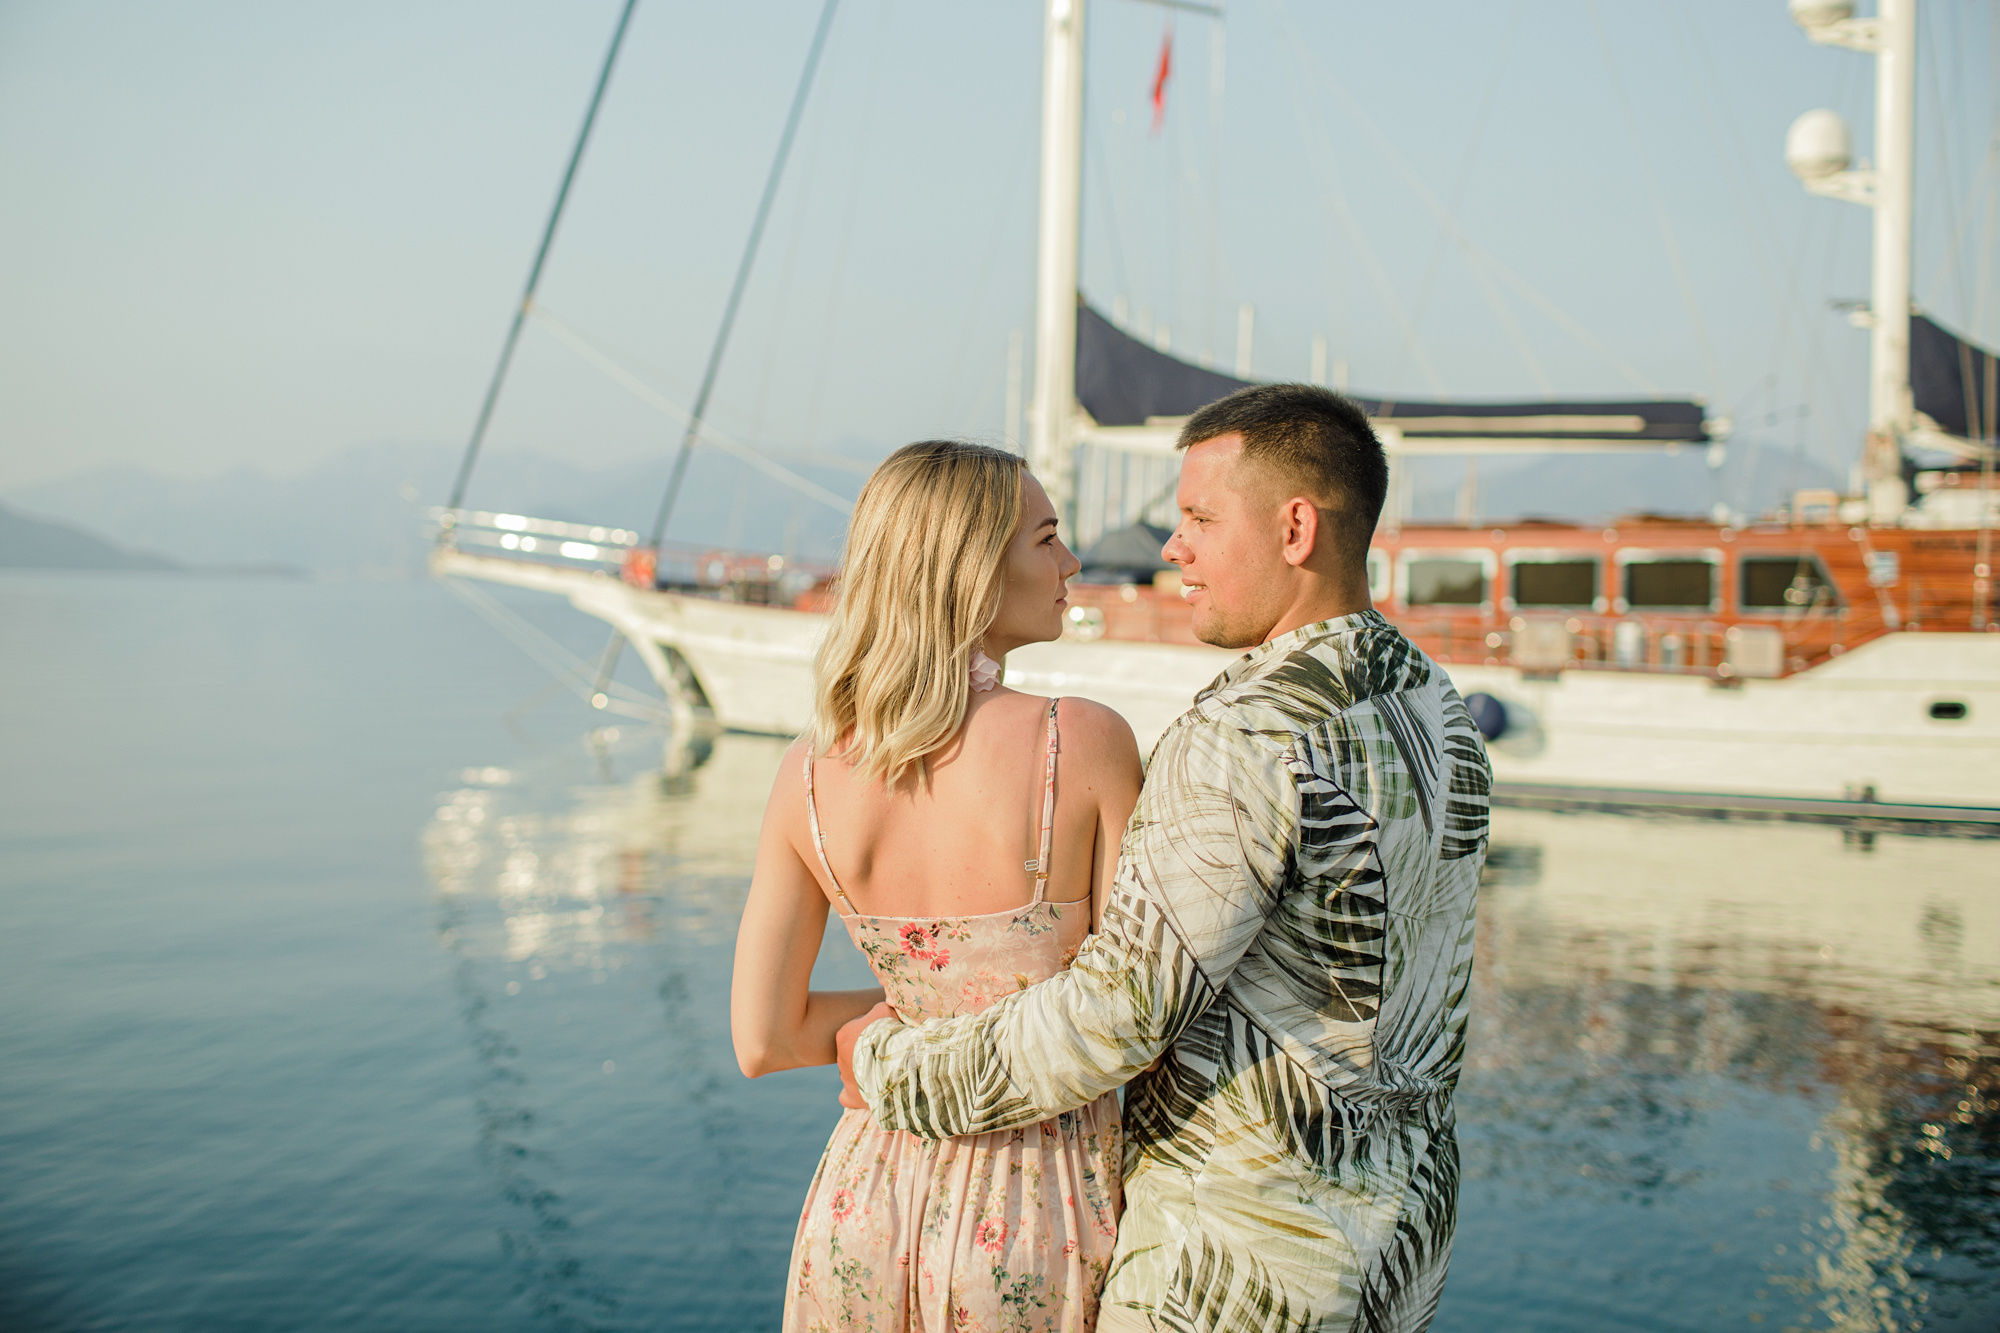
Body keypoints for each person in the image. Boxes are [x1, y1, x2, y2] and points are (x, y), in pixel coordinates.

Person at [840, 385, 1492, 1332]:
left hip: (1234, 1261)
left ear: (1295, 528)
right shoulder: (1441, 712)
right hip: (1404, 1245)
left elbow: (1119, 1015)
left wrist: (892, 1064)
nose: (1171, 547)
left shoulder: (1243, 735)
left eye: (1198, 517)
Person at [731, 439, 1145, 1331]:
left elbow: (763, 1038)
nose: (1071, 563)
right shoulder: (1084, 742)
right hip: (1040, 1206)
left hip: (864, 1200)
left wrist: (913, 1013)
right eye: (1046, 538)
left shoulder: (805, 776)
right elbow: (1139, 1024)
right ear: (972, 570)